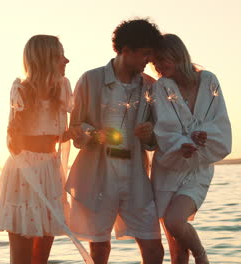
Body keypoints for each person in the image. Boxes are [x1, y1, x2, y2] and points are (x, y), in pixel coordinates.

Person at [66, 19, 164, 264]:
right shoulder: (90, 80)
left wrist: (150, 133)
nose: (148, 61)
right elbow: (74, 129)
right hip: (98, 176)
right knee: (100, 251)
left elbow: (156, 140)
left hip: (136, 177)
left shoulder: (150, 87)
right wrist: (94, 134)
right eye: (144, 54)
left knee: (154, 249)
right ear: (126, 50)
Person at [0, 35, 77, 264]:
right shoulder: (22, 90)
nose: (66, 60)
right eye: (60, 55)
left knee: (42, 256)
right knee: (22, 256)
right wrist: (16, 126)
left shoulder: (62, 89)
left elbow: (58, 133)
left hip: (49, 169)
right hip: (24, 173)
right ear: (46, 58)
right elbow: (13, 143)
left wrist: (77, 133)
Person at [151, 33, 232, 264]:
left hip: (198, 169)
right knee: (175, 247)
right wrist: (181, 145)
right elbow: (164, 128)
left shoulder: (209, 80)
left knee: (174, 221)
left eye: (161, 59)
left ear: (176, 54)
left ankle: (201, 256)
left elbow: (220, 121)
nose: (158, 66)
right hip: (169, 167)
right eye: (154, 62)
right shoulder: (162, 87)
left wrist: (205, 136)